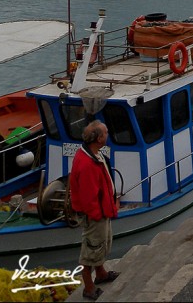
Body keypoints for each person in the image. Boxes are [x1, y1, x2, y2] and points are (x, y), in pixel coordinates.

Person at [70, 120, 119, 299]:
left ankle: (101, 274)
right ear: (98, 138)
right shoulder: (87, 163)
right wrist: (97, 215)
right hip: (95, 215)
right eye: (105, 133)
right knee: (91, 250)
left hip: (102, 210)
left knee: (101, 243)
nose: (107, 135)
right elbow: (88, 197)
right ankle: (89, 288)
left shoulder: (93, 155)